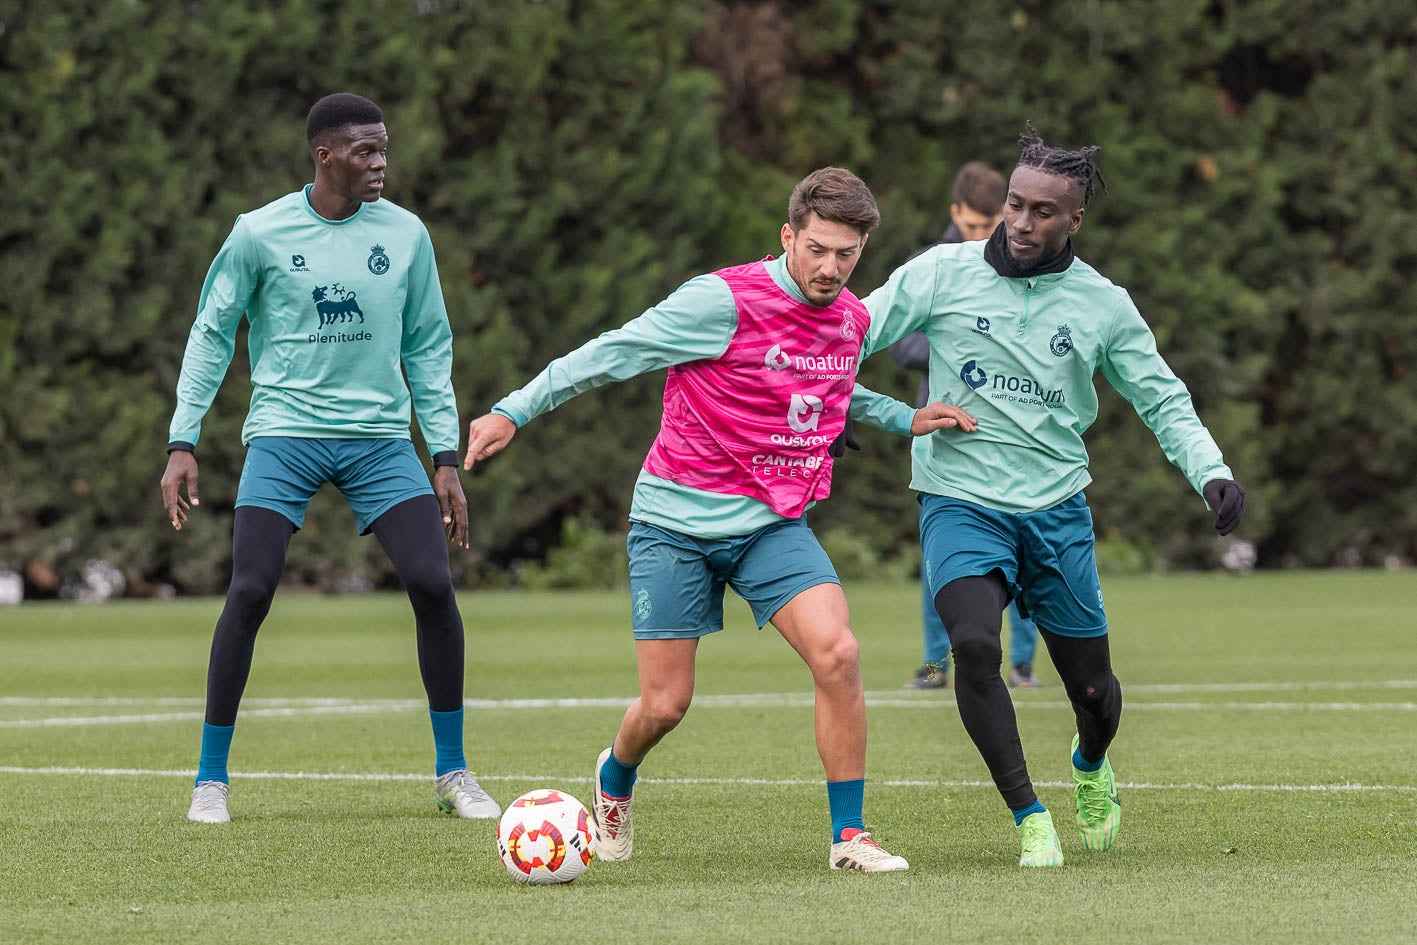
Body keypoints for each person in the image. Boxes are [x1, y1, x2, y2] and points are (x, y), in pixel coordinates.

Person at [462, 168, 976, 872]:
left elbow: (826, 381)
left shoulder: (851, 318)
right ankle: (614, 776)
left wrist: (901, 415)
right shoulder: (721, 299)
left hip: (771, 524)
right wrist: (512, 409)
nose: (830, 268)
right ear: (787, 235)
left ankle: (848, 836)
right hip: (673, 523)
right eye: (817, 249)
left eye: (846, 254)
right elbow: (613, 352)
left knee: (839, 654)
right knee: (665, 705)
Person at [859, 123, 1247, 867]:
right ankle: (1028, 815)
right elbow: (849, 335)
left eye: (1043, 211)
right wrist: (845, 405)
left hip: (1054, 509)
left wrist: (1210, 469)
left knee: (1094, 691)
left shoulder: (1102, 304)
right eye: (1014, 203)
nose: (1022, 221)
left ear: (1074, 219)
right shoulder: (940, 271)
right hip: (957, 497)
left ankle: (1090, 763)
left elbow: (1161, 399)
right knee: (972, 646)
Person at [160, 92, 499, 825]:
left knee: (433, 584)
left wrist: (443, 454)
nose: (380, 163)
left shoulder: (407, 236)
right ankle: (209, 780)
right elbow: (212, 333)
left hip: (380, 439)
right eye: (364, 151)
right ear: (325, 155)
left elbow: (428, 347)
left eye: (384, 149)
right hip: (283, 433)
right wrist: (183, 439)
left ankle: (453, 771)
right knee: (250, 588)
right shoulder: (258, 233)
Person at [893, 162, 1042, 692]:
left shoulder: (1023, 263)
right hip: (942, 437)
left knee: (1023, 553)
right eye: (975, 225)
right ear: (955, 214)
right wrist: (959, 342)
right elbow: (901, 341)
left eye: (991, 224)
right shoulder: (929, 266)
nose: (984, 236)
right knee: (943, 563)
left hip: (1012, 431)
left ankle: (1022, 665)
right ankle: (936, 667)